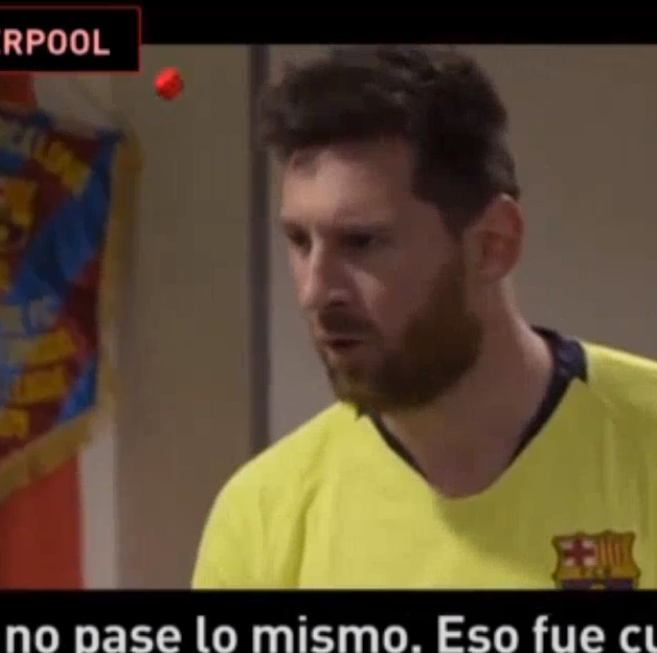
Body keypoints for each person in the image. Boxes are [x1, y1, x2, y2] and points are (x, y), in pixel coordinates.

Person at [192, 46, 657, 589]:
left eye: (362, 243)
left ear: (492, 244)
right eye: (299, 240)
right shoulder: (263, 515)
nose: (316, 290)